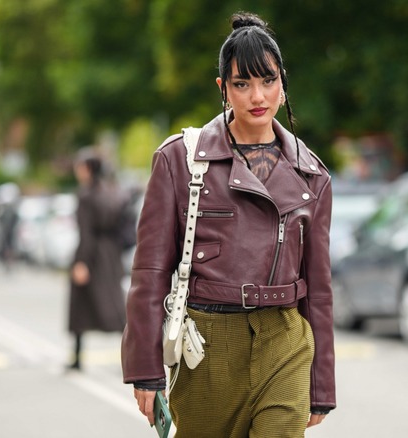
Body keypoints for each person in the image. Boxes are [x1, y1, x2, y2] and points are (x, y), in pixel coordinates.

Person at [121, 11, 336, 436]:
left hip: (285, 342)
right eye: (242, 83)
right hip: (207, 348)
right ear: (223, 88)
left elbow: (320, 287)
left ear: (283, 82)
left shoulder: (313, 175)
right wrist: (145, 369)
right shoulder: (179, 161)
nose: (258, 95)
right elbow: (150, 271)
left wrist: (321, 384)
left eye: (268, 80)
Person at [66, 148, 129, 371]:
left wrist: (81, 261)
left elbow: (86, 232)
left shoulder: (86, 195)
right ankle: (131, 357)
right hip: (110, 255)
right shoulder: (112, 192)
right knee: (115, 305)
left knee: (80, 306)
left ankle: (76, 357)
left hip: (91, 254)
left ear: (87, 169)